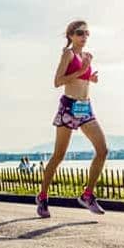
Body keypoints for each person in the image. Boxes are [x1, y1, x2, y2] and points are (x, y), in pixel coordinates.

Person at [36, 20, 108, 218]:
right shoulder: (68, 54)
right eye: (79, 33)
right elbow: (58, 81)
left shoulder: (86, 56)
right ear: (70, 36)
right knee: (58, 156)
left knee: (103, 150)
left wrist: (89, 77)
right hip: (69, 107)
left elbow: (80, 79)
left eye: (86, 33)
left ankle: (87, 195)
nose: (83, 36)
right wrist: (81, 70)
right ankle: (42, 196)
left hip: (85, 107)